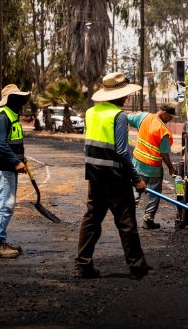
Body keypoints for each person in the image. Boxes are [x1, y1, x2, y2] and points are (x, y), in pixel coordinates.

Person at [75, 73, 151, 280]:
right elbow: (122, 151)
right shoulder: (119, 116)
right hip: (115, 178)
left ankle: (83, 265)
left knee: (92, 219)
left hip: (94, 175)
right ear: (117, 96)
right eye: (124, 95)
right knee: (126, 221)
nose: (126, 98)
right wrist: (136, 179)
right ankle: (137, 267)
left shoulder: (90, 113)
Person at [0, 84, 30, 259]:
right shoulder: (3, 116)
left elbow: (12, 143)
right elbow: (0, 143)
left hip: (7, 168)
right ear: (10, 100)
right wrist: (15, 161)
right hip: (2, 168)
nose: (22, 102)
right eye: (18, 99)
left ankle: (1, 240)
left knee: (7, 205)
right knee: (4, 205)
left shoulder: (11, 116)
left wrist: (21, 158)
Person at [129, 103, 179, 230]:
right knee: (154, 195)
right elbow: (164, 154)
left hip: (137, 164)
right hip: (153, 169)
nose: (171, 119)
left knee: (135, 192)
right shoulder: (163, 131)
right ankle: (148, 220)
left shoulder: (143, 117)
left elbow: (126, 118)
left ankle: (128, 219)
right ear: (164, 113)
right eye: (170, 117)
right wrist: (171, 168)